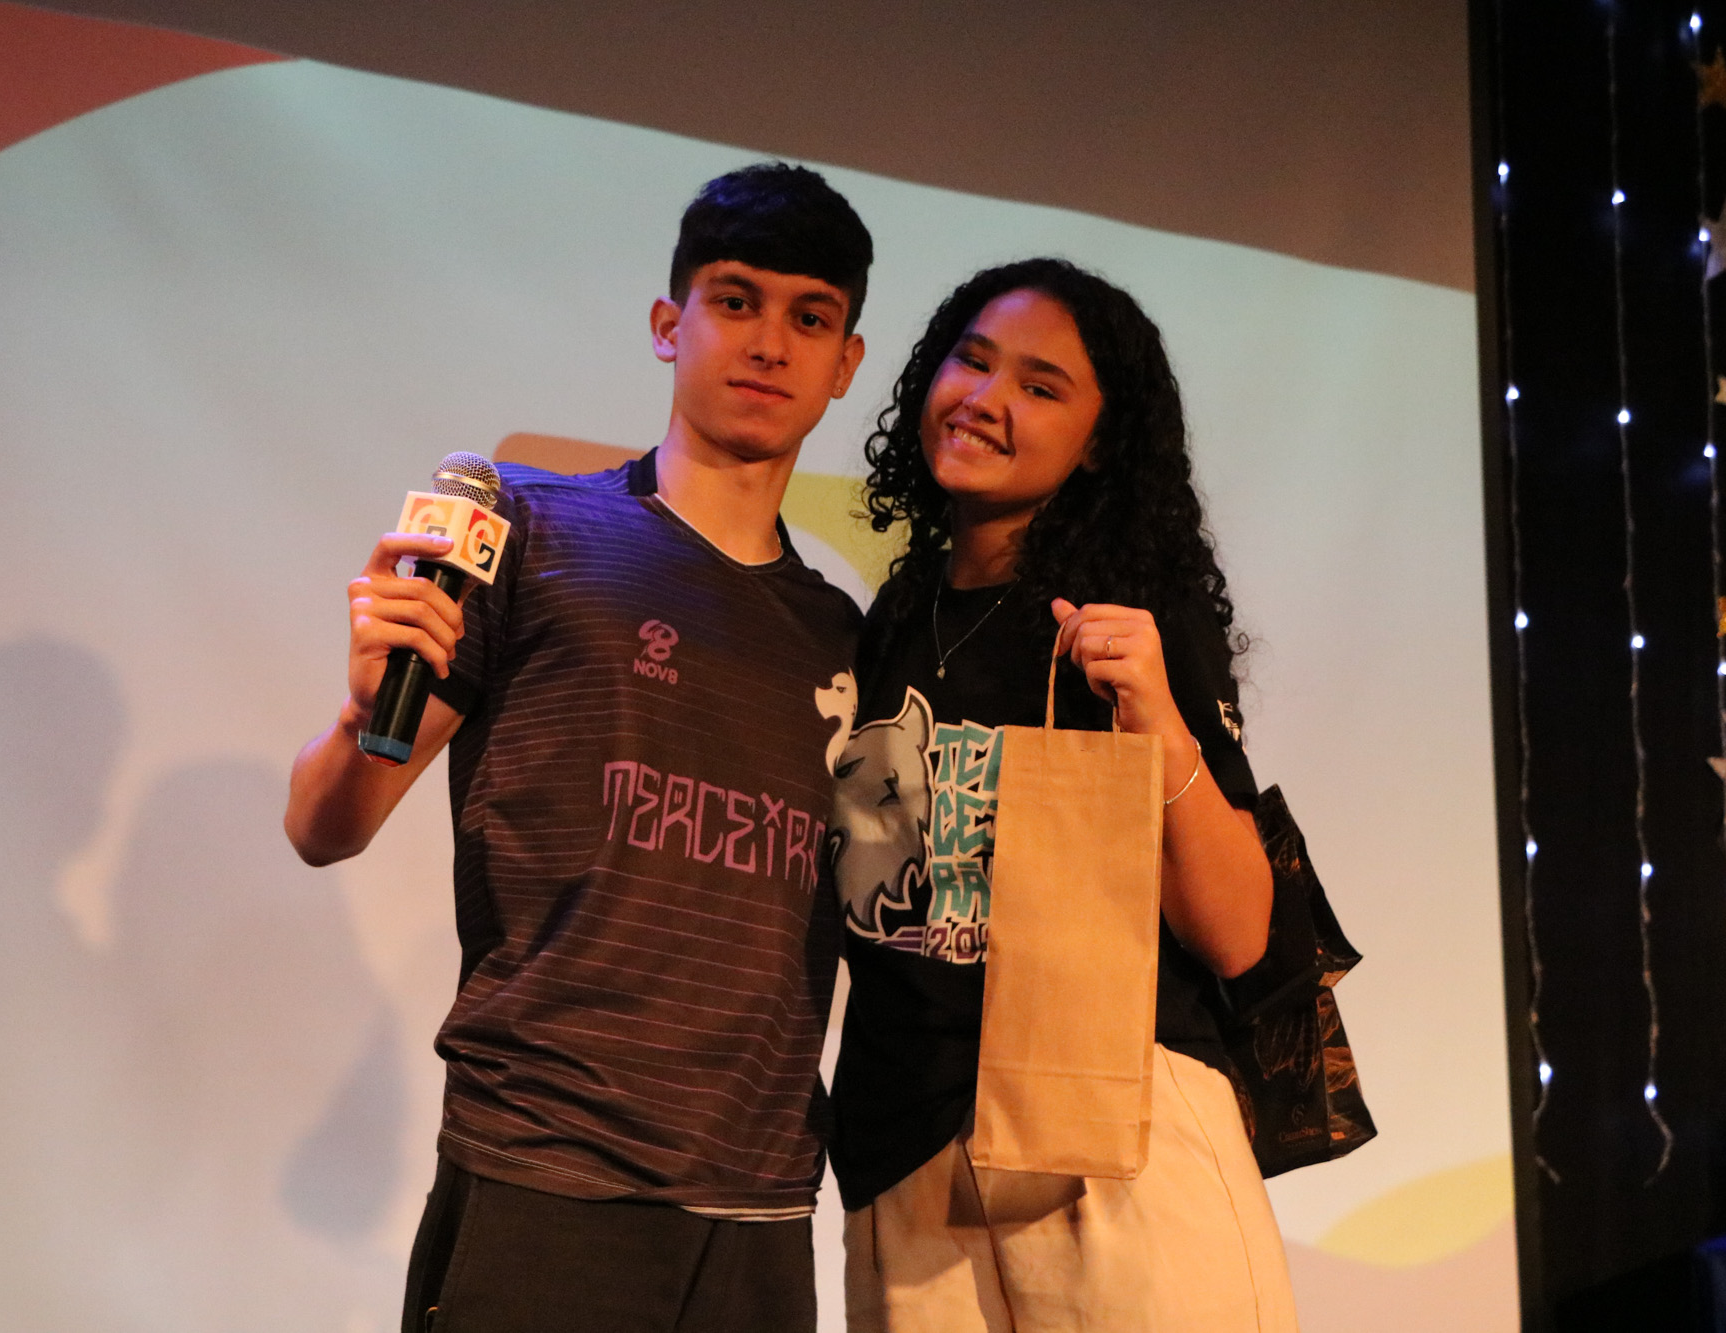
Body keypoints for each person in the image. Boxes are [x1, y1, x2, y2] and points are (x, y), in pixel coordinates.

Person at [283, 162, 872, 1333]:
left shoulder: (842, 635)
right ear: (667, 324)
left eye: (810, 319)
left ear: (845, 363)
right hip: (545, 1174)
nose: (769, 343)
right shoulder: (529, 527)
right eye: (735, 301)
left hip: (758, 1207)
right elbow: (323, 826)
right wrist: (361, 714)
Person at [828, 258, 1299, 1330]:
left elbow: (1238, 932)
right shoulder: (889, 621)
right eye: (972, 361)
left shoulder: (1127, 621)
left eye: (1040, 387)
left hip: (1111, 1139)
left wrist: (1157, 718)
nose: (986, 399)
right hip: (906, 1153)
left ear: (1096, 444)